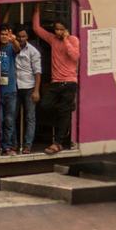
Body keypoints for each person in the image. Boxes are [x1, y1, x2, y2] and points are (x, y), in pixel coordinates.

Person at [33, 10, 80, 154]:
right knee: (44, 104)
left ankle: (58, 143)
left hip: (69, 82)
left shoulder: (73, 40)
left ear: (67, 29)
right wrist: (36, 9)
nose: (58, 32)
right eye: (57, 29)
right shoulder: (52, 39)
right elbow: (37, 29)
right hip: (55, 82)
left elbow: (75, 57)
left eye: (61, 29)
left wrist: (66, 40)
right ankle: (67, 102)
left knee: (64, 113)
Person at [12, 27, 42, 153]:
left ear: (27, 37)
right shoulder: (12, 48)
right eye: (18, 36)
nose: (21, 39)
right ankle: (13, 144)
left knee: (30, 118)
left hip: (29, 88)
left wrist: (36, 91)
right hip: (15, 87)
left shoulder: (33, 51)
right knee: (11, 117)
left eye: (23, 36)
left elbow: (37, 72)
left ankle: (27, 145)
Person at [0, 27, 19, 155]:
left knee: (9, 121)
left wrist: (14, 41)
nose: (4, 36)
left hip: (10, 90)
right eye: (2, 34)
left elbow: (17, 49)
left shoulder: (11, 47)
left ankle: (7, 147)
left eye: (6, 34)